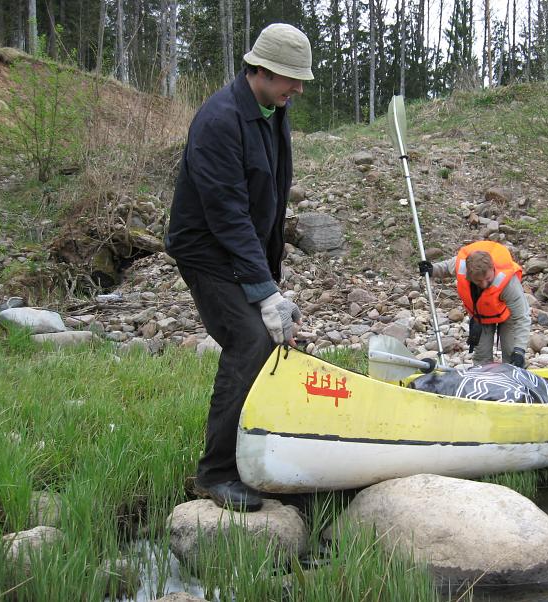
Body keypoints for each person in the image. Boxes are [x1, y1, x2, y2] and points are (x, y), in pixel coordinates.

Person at [165, 23, 313, 512]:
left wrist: (270, 281)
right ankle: (215, 472)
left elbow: (270, 195)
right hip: (206, 250)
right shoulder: (218, 121)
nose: (298, 88)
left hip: (243, 248)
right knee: (249, 340)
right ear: (262, 70)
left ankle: (258, 448)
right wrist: (263, 293)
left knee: (273, 340)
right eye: (291, 78)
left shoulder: (273, 110)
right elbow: (227, 215)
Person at [419, 241, 531, 367]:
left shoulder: (509, 283)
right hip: (481, 316)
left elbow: (522, 318)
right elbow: (445, 267)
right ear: (469, 274)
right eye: (478, 281)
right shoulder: (463, 266)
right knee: (481, 357)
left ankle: (515, 373)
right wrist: (431, 269)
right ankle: (482, 376)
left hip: (507, 315)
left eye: (488, 279)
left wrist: (519, 350)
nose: (484, 284)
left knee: (512, 355)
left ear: (493, 268)